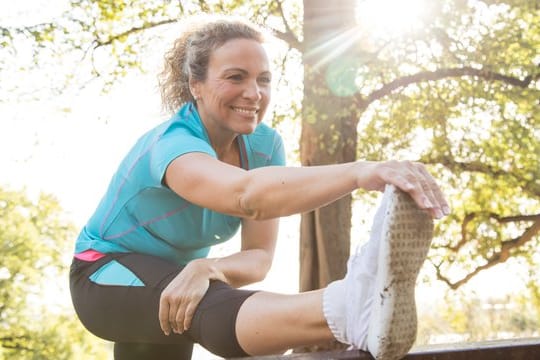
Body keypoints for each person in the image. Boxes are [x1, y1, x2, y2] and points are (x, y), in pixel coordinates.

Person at [69, 14, 450, 360]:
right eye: (236, 77)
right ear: (195, 85)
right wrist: (360, 173)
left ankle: (351, 305)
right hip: (102, 273)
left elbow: (258, 258)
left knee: (201, 299)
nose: (254, 93)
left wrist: (208, 266)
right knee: (209, 307)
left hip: (177, 278)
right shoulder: (172, 144)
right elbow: (246, 196)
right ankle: (347, 307)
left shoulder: (265, 147)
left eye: (263, 79)